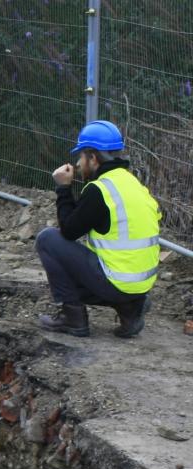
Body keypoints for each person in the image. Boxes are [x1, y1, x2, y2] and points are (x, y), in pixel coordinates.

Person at [36, 120, 161, 339]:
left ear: (93, 158)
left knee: (47, 240)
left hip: (117, 283)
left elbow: (68, 231)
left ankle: (73, 318)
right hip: (141, 284)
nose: (78, 163)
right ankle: (130, 308)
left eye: (81, 157)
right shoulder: (132, 184)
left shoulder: (100, 190)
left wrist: (63, 188)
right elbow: (84, 217)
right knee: (80, 258)